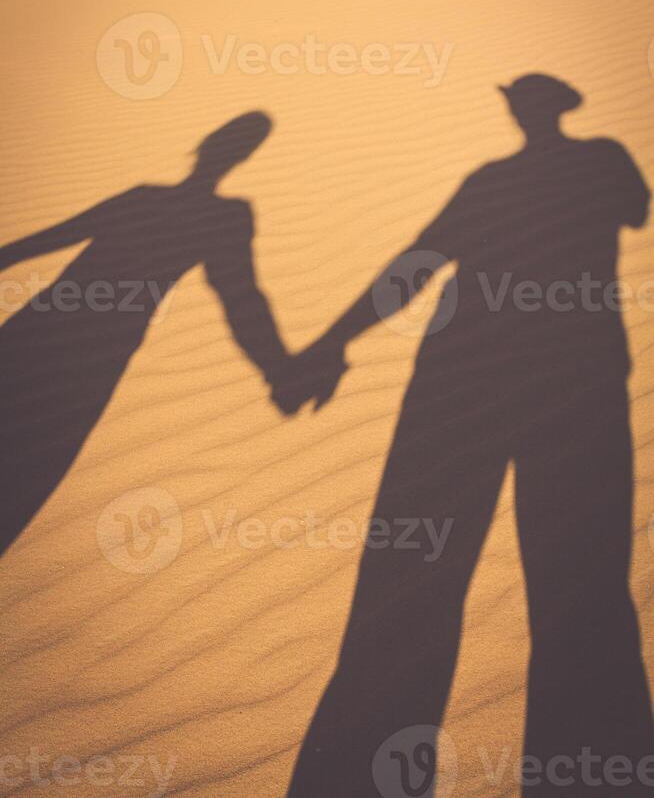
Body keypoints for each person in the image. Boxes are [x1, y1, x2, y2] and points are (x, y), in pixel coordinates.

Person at [283, 75, 653, 797]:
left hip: (466, 387)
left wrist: (332, 343)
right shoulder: (603, 160)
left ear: (521, 110)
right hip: (569, 384)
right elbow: (638, 212)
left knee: (421, 577)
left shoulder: (496, 180)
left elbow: (415, 266)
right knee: (579, 582)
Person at [0, 112, 293, 556]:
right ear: (245, 156)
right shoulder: (226, 216)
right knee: (28, 472)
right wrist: (278, 369)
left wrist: (278, 368)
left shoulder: (146, 200)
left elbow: (32, 246)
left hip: (35, 335)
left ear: (206, 141)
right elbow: (240, 299)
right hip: (88, 359)